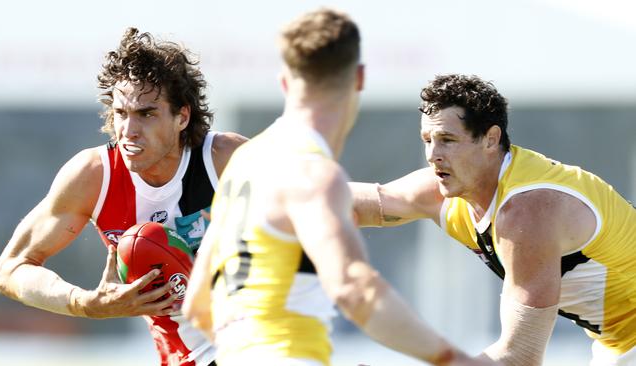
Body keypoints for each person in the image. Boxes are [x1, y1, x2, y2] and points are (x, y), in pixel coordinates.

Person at [182, 9, 494, 366]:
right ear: (359, 78)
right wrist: (454, 359)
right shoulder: (313, 172)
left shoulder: (244, 163)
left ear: (285, 81)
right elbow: (353, 287)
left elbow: (198, 305)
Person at [0, 27, 247, 366]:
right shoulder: (94, 176)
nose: (129, 130)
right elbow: (11, 270)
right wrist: (84, 303)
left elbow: (321, 206)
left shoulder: (227, 159)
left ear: (182, 116)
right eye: (121, 113)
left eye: (146, 113)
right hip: (187, 357)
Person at [349, 73, 636, 365]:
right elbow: (347, 205)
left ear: (491, 139)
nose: (433, 155)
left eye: (447, 140)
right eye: (427, 140)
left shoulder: (526, 211)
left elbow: (519, 357)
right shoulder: (445, 191)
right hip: (617, 343)